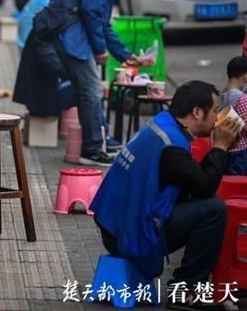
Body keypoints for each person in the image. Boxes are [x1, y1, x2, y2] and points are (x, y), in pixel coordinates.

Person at [90, 81, 240, 309]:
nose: (217, 118)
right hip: (127, 236)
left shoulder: (161, 126)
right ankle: (186, 290)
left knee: (199, 201)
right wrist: (220, 147)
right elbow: (204, 185)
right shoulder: (171, 147)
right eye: (215, 111)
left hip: (114, 225)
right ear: (197, 112)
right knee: (213, 209)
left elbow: (190, 179)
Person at [53, 0, 155, 166]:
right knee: (91, 90)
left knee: (88, 89)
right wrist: (99, 49)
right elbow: (91, 10)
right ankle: (91, 148)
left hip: (74, 36)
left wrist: (125, 55)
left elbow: (102, 21)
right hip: (71, 37)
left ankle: (99, 139)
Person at [220, 56, 247, 175]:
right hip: (241, 152)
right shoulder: (242, 99)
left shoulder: (222, 96)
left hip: (225, 149)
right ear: (245, 76)